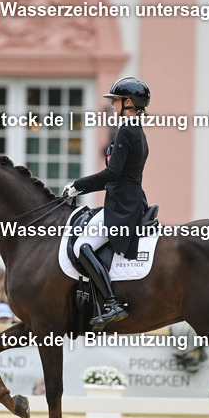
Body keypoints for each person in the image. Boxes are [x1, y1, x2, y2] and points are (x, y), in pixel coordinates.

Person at [61, 76, 151, 329]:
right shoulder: (135, 130)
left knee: (82, 246)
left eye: (116, 100)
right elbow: (116, 177)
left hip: (123, 205)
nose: (113, 105)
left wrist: (78, 184)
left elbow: (112, 174)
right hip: (127, 199)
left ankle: (112, 302)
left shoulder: (126, 130)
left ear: (129, 102)